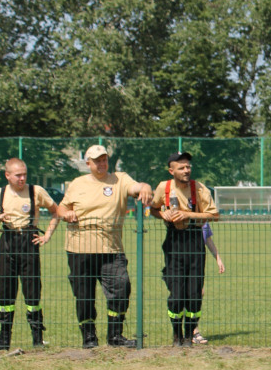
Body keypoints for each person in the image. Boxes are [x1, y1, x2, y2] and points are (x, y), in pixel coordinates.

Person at [56, 145, 153, 348]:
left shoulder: (119, 179)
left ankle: (115, 336)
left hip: (111, 249)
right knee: (84, 296)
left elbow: (136, 187)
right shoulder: (77, 183)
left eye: (104, 159)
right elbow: (62, 207)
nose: (102, 164)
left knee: (121, 288)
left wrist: (144, 186)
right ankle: (89, 338)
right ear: (88, 163)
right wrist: (66, 213)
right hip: (79, 249)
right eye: (97, 160)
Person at [0, 158, 61, 350]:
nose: (22, 178)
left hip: (29, 242)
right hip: (8, 242)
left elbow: (56, 212)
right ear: (7, 175)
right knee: (6, 293)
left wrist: (47, 236)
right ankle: (3, 342)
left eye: (24, 174)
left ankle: (37, 340)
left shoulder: (36, 191)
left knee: (33, 293)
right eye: (18, 175)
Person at [148, 151, 219, 347]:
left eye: (188, 166)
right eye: (182, 167)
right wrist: (164, 215)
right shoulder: (164, 187)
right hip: (174, 242)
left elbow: (214, 215)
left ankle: (189, 334)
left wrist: (187, 215)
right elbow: (153, 209)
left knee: (194, 292)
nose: (187, 170)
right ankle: (176, 334)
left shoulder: (200, 188)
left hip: (195, 241)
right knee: (177, 293)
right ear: (172, 171)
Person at [192, 221, 226, 345]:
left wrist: (218, 259)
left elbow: (208, 240)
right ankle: (187, 331)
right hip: (183, 258)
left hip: (198, 260)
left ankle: (193, 330)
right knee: (185, 294)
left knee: (199, 293)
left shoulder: (203, 219)